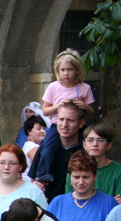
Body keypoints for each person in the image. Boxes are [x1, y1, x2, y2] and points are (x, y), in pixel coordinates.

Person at [32, 49, 96, 189]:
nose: (66, 73)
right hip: (56, 125)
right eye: (63, 70)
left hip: (79, 126)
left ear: (77, 71)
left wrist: (84, 106)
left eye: (70, 70)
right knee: (48, 147)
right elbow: (45, 110)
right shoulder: (54, 87)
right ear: (58, 71)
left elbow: (91, 111)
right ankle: (43, 174)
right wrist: (57, 106)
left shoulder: (84, 88)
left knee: (85, 147)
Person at [64, 124, 121, 203]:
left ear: (109, 145)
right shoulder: (75, 170)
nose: (95, 144)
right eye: (90, 140)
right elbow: (69, 201)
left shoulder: (120, 171)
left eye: (100, 140)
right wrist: (110, 201)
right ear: (84, 144)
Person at [0, 144, 47, 217]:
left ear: (20, 166)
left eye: (12, 163)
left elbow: (45, 220)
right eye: (2, 163)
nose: (6, 167)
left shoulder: (34, 192)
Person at [21, 116, 47, 181]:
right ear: (29, 131)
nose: (42, 131)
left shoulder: (26, 145)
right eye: (38, 129)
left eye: (44, 129)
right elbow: (39, 169)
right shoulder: (33, 147)